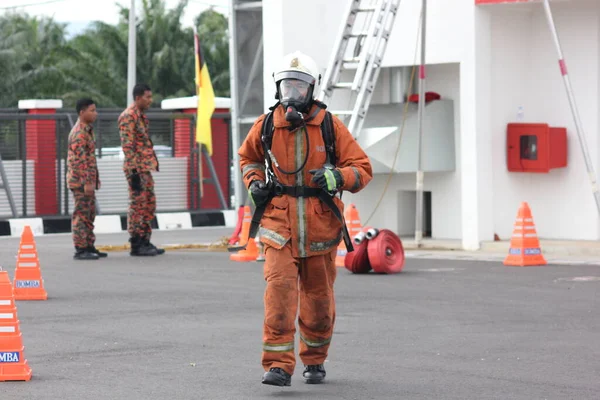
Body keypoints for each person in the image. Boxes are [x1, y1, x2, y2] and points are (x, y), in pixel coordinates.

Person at [238, 51, 373, 386]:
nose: (292, 95)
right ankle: (278, 366)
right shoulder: (267, 125)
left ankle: (315, 359)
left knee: (318, 301)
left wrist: (338, 178)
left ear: (313, 89)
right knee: (279, 293)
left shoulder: (329, 125)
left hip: (319, 227)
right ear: (278, 88)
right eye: (287, 86)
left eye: (299, 87)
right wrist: (255, 183)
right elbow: (248, 159)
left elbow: (362, 168)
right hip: (278, 227)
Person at [118, 83, 165, 256]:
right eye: (147, 97)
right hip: (136, 168)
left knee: (148, 204)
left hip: (145, 167)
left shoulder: (141, 116)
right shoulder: (128, 116)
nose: (150, 101)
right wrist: (134, 172)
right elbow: (128, 146)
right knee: (138, 205)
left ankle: (145, 240)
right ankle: (136, 242)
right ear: (137, 98)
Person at [66, 98, 107, 260]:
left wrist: (94, 179)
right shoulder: (79, 133)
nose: (95, 113)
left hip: (86, 180)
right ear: (82, 112)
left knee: (89, 214)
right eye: (92, 110)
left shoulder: (87, 130)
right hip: (80, 182)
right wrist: (87, 183)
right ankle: (81, 248)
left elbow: (89, 160)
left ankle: (89, 245)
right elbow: (80, 162)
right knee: (82, 215)